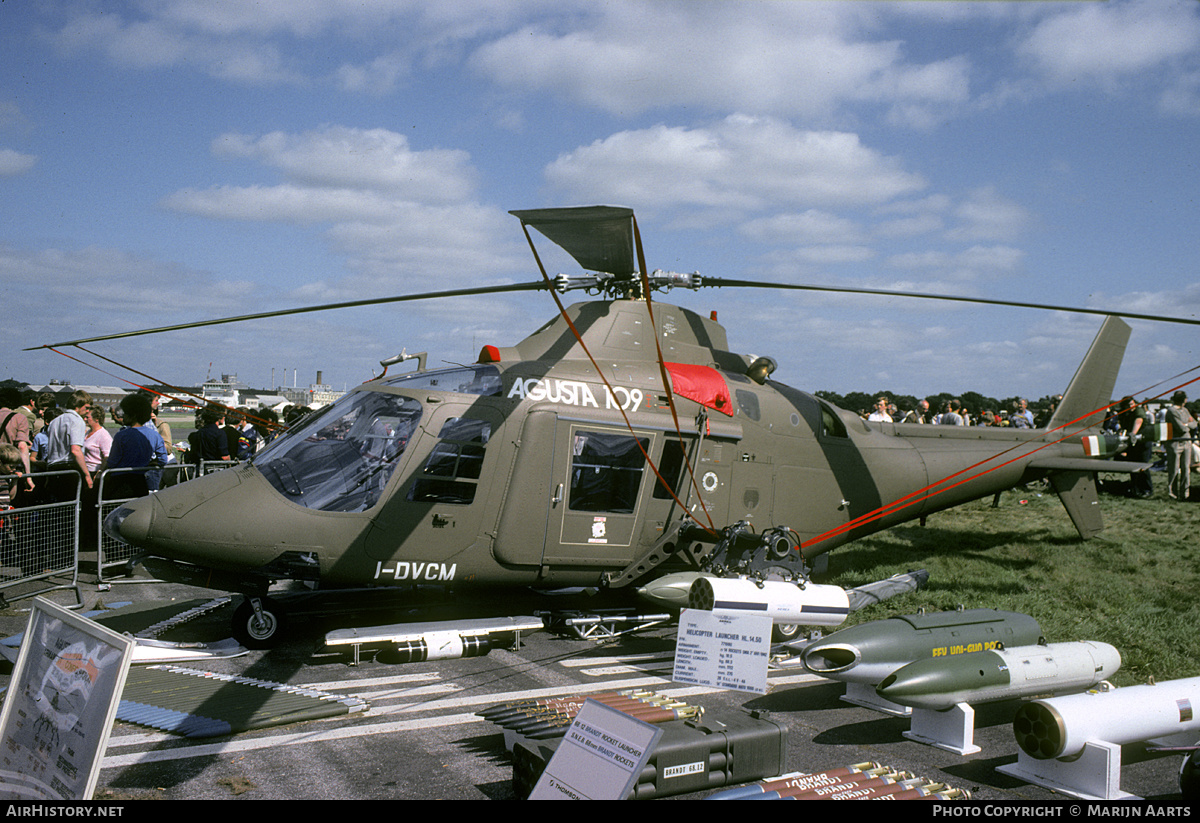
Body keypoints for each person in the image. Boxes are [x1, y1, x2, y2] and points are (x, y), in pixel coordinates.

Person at [43, 389, 93, 501]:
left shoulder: (54, 422)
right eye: (87, 408)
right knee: (72, 508)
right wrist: (87, 475)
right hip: (69, 470)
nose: (87, 412)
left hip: (53, 469)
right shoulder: (77, 420)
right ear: (78, 406)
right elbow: (75, 450)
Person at [1116, 396, 1154, 498]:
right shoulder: (1123, 413)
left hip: (1142, 442)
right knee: (1132, 466)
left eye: (1132, 404)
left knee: (1142, 466)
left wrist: (1132, 434)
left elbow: (1138, 421)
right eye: (1128, 405)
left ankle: (1147, 490)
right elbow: (1122, 426)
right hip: (1131, 443)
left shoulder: (1138, 410)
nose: (1130, 406)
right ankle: (1135, 489)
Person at [1163, 391, 1198, 501]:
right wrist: (1188, 425)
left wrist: (1187, 424)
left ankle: (1185, 493)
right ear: (1184, 400)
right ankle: (1172, 493)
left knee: (1186, 468)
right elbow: (1181, 428)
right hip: (1175, 442)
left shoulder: (1185, 410)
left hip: (1186, 442)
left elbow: (1194, 423)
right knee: (1173, 469)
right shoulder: (1172, 411)